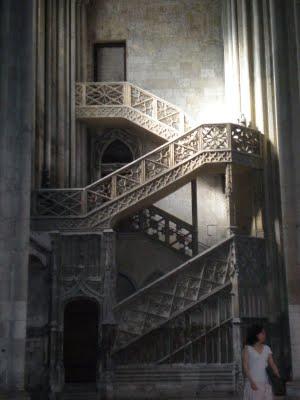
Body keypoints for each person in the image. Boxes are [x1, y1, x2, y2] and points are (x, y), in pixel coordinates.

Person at [242, 324, 280, 400]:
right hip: (253, 383)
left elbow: (272, 364)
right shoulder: (247, 348)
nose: (264, 335)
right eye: (262, 333)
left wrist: (278, 376)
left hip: (266, 383)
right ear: (256, 335)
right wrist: (251, 382)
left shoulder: (267, 348)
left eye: (265, 333)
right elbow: (245, 366)